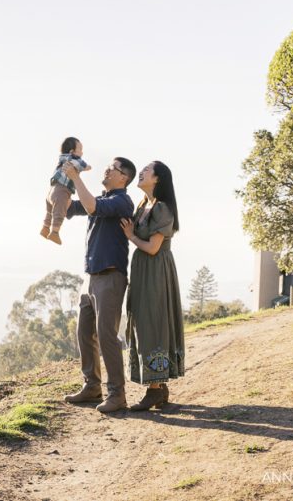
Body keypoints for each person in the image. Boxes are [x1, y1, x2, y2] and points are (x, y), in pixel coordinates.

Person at [61, 156, 137, 413]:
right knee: (84, 332)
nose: (106, 169)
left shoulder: (122, 201)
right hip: (91, 277)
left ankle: (117, 394)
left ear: (123, 177)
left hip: (110, 277)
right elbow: (68, 207)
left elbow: (92, 207)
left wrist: (76, 177)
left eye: (112, 168)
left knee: (106, 336)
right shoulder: (102, 199)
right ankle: (92, 386)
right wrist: (59, 182)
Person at [120, 161, 183, 410]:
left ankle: (154, 389)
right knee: (143, 321)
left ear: (157, 178)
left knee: (153, 323)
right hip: (143, 270)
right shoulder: (143, 205)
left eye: (147, 170)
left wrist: (131, 236)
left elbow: (153, 248)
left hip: (156, 271)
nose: (142, 172)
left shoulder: (162, 208)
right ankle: (160, 386)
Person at [41, 137, 91, 245]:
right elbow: (82, 165)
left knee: (50, 212)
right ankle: (54, 233)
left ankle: (45, 228)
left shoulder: (62, 159)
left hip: (52, 190)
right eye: (80, 149)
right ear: (72, 152)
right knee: (59, 212)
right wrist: (87, 167)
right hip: (62, 191)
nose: (82, 152)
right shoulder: (74, 159)